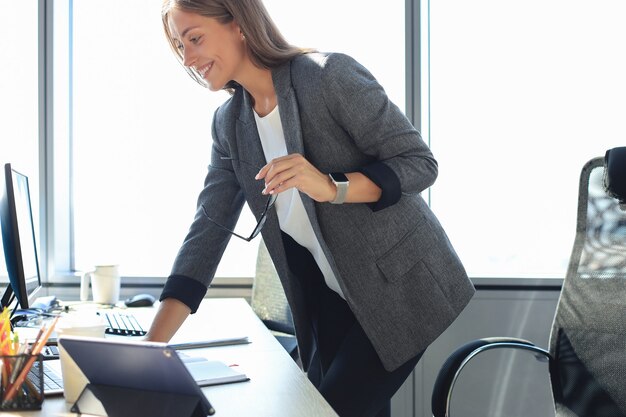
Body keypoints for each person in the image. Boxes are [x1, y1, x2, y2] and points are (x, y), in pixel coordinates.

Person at [146, 1, 475, 416]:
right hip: (331, 298)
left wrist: (330, 187)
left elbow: (418, 163)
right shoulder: (229, 125)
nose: (187, 59)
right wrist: (148, 353)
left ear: (239, 26)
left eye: (194, 39)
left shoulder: (327, 76)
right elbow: (206, 232)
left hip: (402, 287)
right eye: (179, 46)